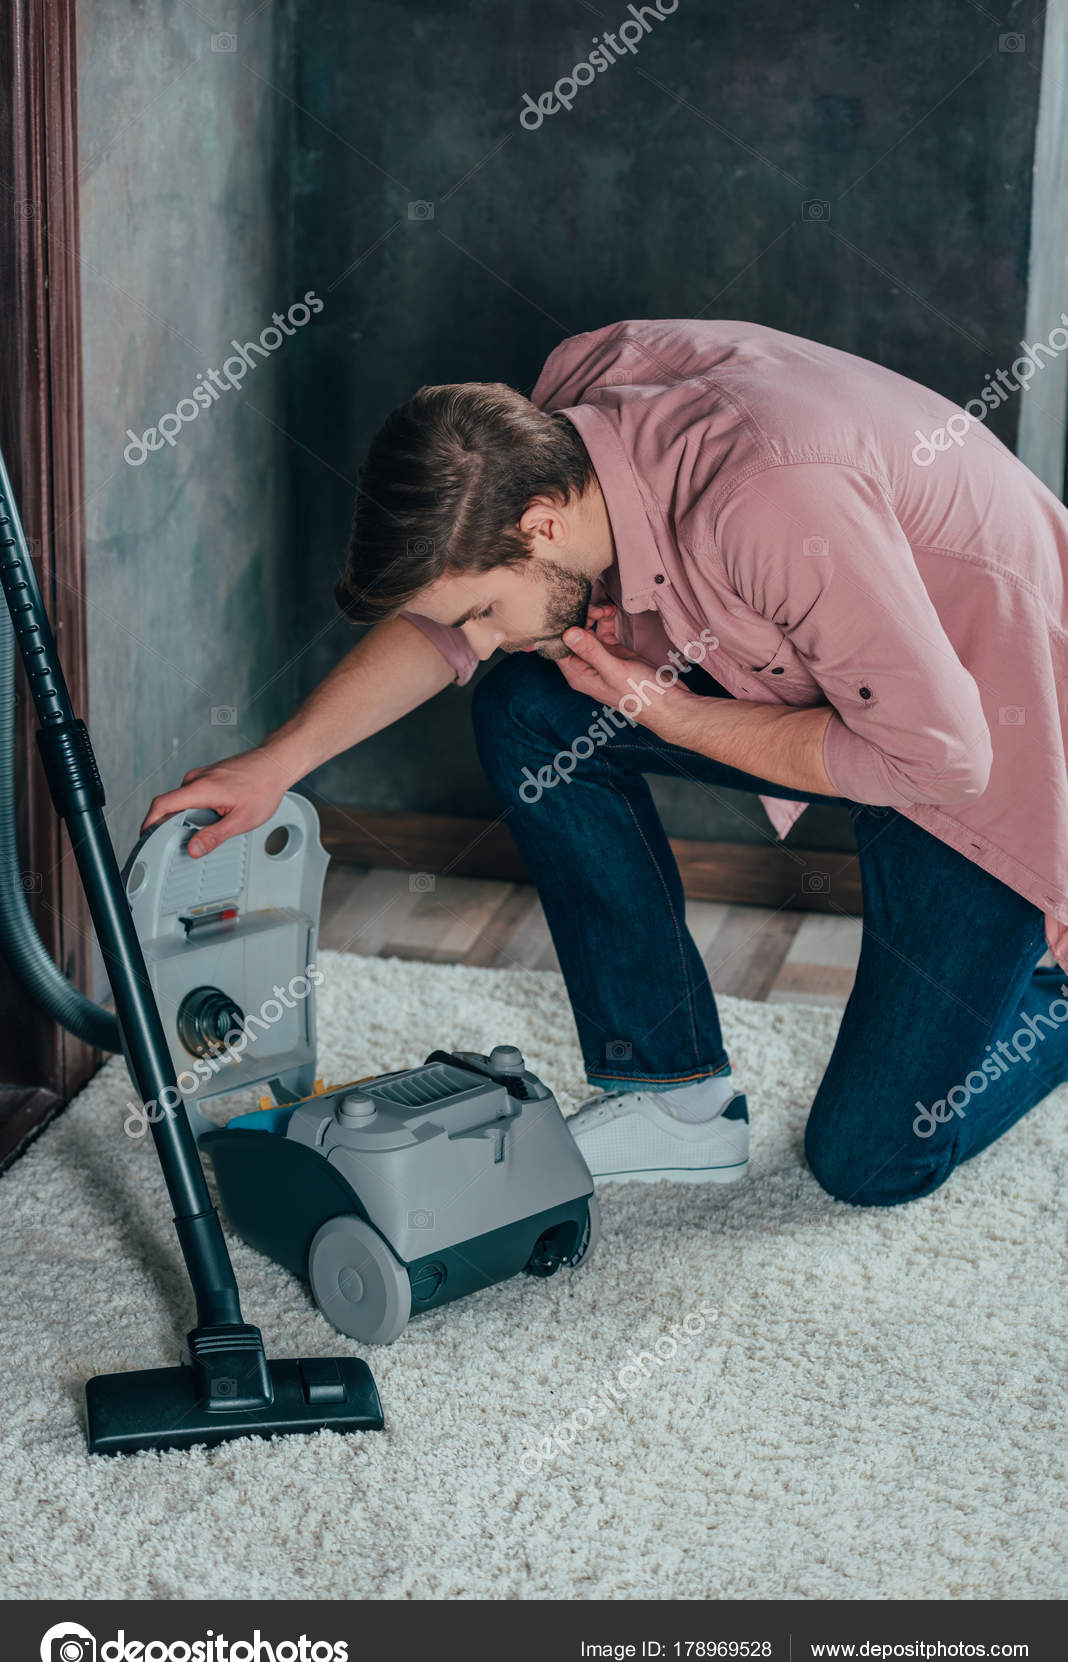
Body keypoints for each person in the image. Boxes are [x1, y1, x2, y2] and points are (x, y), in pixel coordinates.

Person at [142, 319, 1068, 1206]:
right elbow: (442, 626)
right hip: (850, 688)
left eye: (482, 611)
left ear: (540, 527)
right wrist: (276, 762)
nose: (480, 639)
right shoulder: (566, 413)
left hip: (996, 753)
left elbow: (942, 756)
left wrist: (673, 712)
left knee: (866, 1163)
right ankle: (675, 1096)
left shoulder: (762, 502)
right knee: (528, 706)